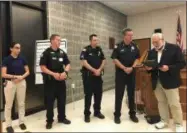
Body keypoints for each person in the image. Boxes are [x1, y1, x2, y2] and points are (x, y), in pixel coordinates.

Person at [144, 33, 185, 132]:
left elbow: (182, 63)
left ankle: (178, 124)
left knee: (174, 104)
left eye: (156, 42)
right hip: (156, 82)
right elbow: (151, 66)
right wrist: (148, 68)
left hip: (170, 81)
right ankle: (164, 121)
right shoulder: (152, 52)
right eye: (153, 42)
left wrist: (169, 68)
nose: (154, 44)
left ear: (162, 39)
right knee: (161, 102)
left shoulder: (174, 48)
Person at [40, 34, 71, 129]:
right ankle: (49, 120)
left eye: (60, 40)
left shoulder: (62, 52)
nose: (60, 42)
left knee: (62, 101)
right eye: (58, 40)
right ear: (52, 40)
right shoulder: (46, 53)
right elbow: (42, 67)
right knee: (49, 102)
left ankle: (62, 118)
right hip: (50, 83)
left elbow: (68, 63)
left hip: (61, 81)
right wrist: (53, 74)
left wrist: (65, 72)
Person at [111, 28, 140, 124]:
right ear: (125, 36)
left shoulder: (134, 46)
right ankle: (117, 115)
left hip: (131, 73)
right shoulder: (118, 46)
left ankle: (132, 114)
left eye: (132, 35)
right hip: (120, 74)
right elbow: (114, 59)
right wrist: (124, 68)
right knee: (119, 95)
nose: (131, 37)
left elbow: (137, 58)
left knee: (131, 95)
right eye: (129, 35)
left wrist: (132, 67)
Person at [2, 42, 30, 133]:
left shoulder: (22, 58)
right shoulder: (6, 60)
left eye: (19, 48)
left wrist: (21, 77)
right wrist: (14, 77)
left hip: (21, 82)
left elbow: (28, 71)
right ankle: (8, 125)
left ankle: (21, 122)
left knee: (21, 103)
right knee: (8, 105)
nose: (18, 50)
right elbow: (3, 74)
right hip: (10, 83)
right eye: (16, 48)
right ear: (11, 49)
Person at [80, 34, 106, 123]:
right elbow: (83, 62)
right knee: (88, 96)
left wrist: (99, 70)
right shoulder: (86, 50)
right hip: (88, 77)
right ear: (90, 41)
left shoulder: (99, 49)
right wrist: (94, 70)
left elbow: (104, 60)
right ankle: (87, 114)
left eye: (97, 40)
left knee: (98, 95)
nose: (96, 42)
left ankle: (97, 112)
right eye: (94, 40)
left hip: (98, 76)